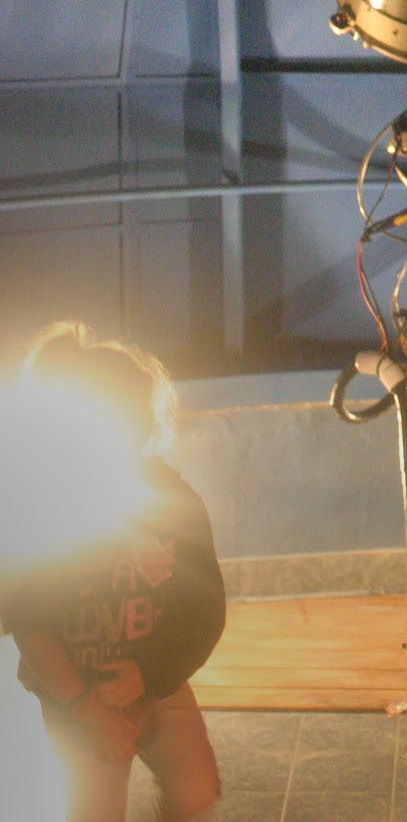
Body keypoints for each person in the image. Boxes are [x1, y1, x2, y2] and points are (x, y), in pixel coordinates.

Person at [1, 322, 225, 822]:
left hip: (156, 679)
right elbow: (30, 625)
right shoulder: (42, 508)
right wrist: (87, 708)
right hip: (72, 692)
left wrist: (148, 674)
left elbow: (203, 609)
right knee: (94, 811)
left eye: (134, 420)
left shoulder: (173, 502)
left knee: (197, 788)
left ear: (147, 421)